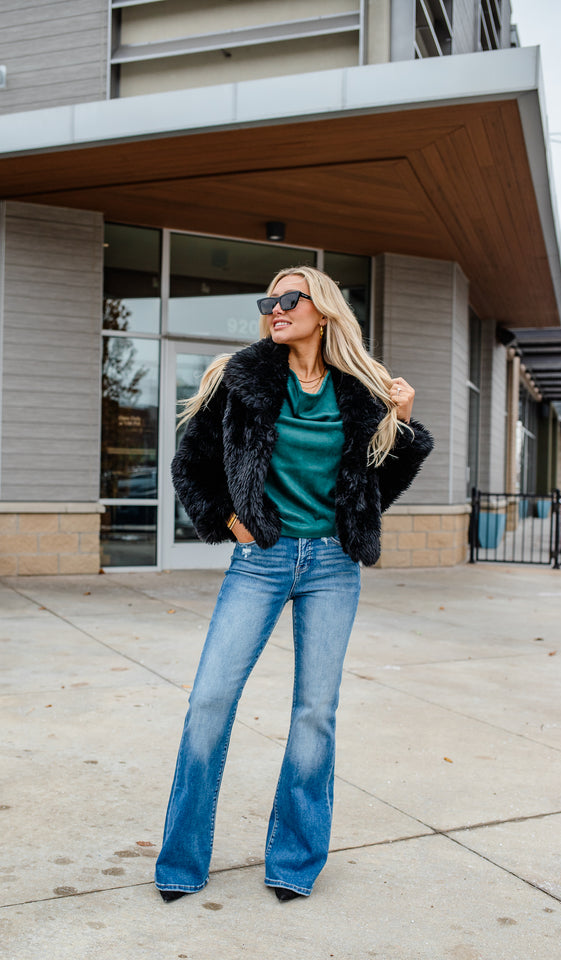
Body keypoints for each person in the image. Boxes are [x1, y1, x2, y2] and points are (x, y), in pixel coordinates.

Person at [155, 266, 433, 902]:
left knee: (315, 713)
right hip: (262, 560)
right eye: (268, 301)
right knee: (209, 700)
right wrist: (231, 523)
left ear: (323, 310)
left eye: (288, 298)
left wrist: (403, 423)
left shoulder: (362, 391)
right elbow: (190, 464)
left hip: (333, 566)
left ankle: (294, 862)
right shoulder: (241, 378)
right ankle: (182, 861)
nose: (275, 309)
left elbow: (376, 492)